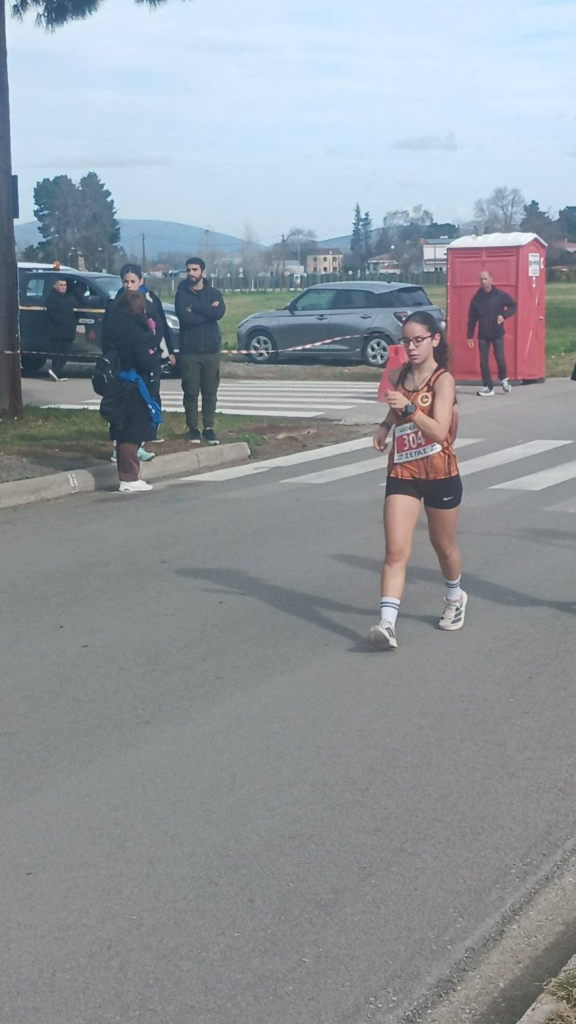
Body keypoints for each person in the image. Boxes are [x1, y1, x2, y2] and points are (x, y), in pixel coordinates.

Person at [369, 311, 466, 651]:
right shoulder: (398, 374)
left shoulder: (443, 380)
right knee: (395, 550)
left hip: (441, 473)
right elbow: (396, 407)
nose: (411, 347)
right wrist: (385, 426)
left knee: (444, 546)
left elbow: (439, 431)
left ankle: (455, 596)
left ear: (435, 340)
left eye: (418, 340)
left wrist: (409, 409)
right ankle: (387, 624)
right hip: (403, 472)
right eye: (406, 341)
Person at [103, 289, 160, 493]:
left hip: (118, 382)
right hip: (133, 384)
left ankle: (130, 476)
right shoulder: (135, 332)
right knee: (131, 432)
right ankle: (129, 478)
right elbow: (144, 361)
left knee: (122, 429)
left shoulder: (113, 326)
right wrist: (154, 356)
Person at [175, 256, 225, 445]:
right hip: (190, 351)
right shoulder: (181, 294)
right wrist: (208, 313)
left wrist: (195, 307)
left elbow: (219, 313)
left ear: (203, 272)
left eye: (195, 269)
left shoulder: (214, 293)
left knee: (210, 391)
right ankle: (193, 429)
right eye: (188, 270)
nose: (191, 273)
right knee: (190, 391)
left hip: (211, 351)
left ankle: (209, 428)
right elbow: (185, 319)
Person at [467, 270, 517, 397]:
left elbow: (513, 306)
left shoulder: (500, 295)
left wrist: (503, 316)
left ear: (491, 279)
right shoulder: (476, 299)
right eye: (481, 279)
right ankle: (488, 387)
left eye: (485, 279)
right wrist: (469, 336)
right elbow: (472, 318)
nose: (483, 282)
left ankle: (504, 379)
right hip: (483, 334)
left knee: (499, 357)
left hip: (497, 332)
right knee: (483, 361)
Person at [45, 278, 76, 381]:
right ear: (55, 286)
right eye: (61, 285)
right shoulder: (52, 298)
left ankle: (56, 373)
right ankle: (56, 371)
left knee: (65, 352)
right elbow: (52, 314)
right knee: (59, 353)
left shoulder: (67, 297)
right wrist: (65, 322)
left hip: (68, 332)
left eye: (65, 285)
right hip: (58, 331)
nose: (63, 287)